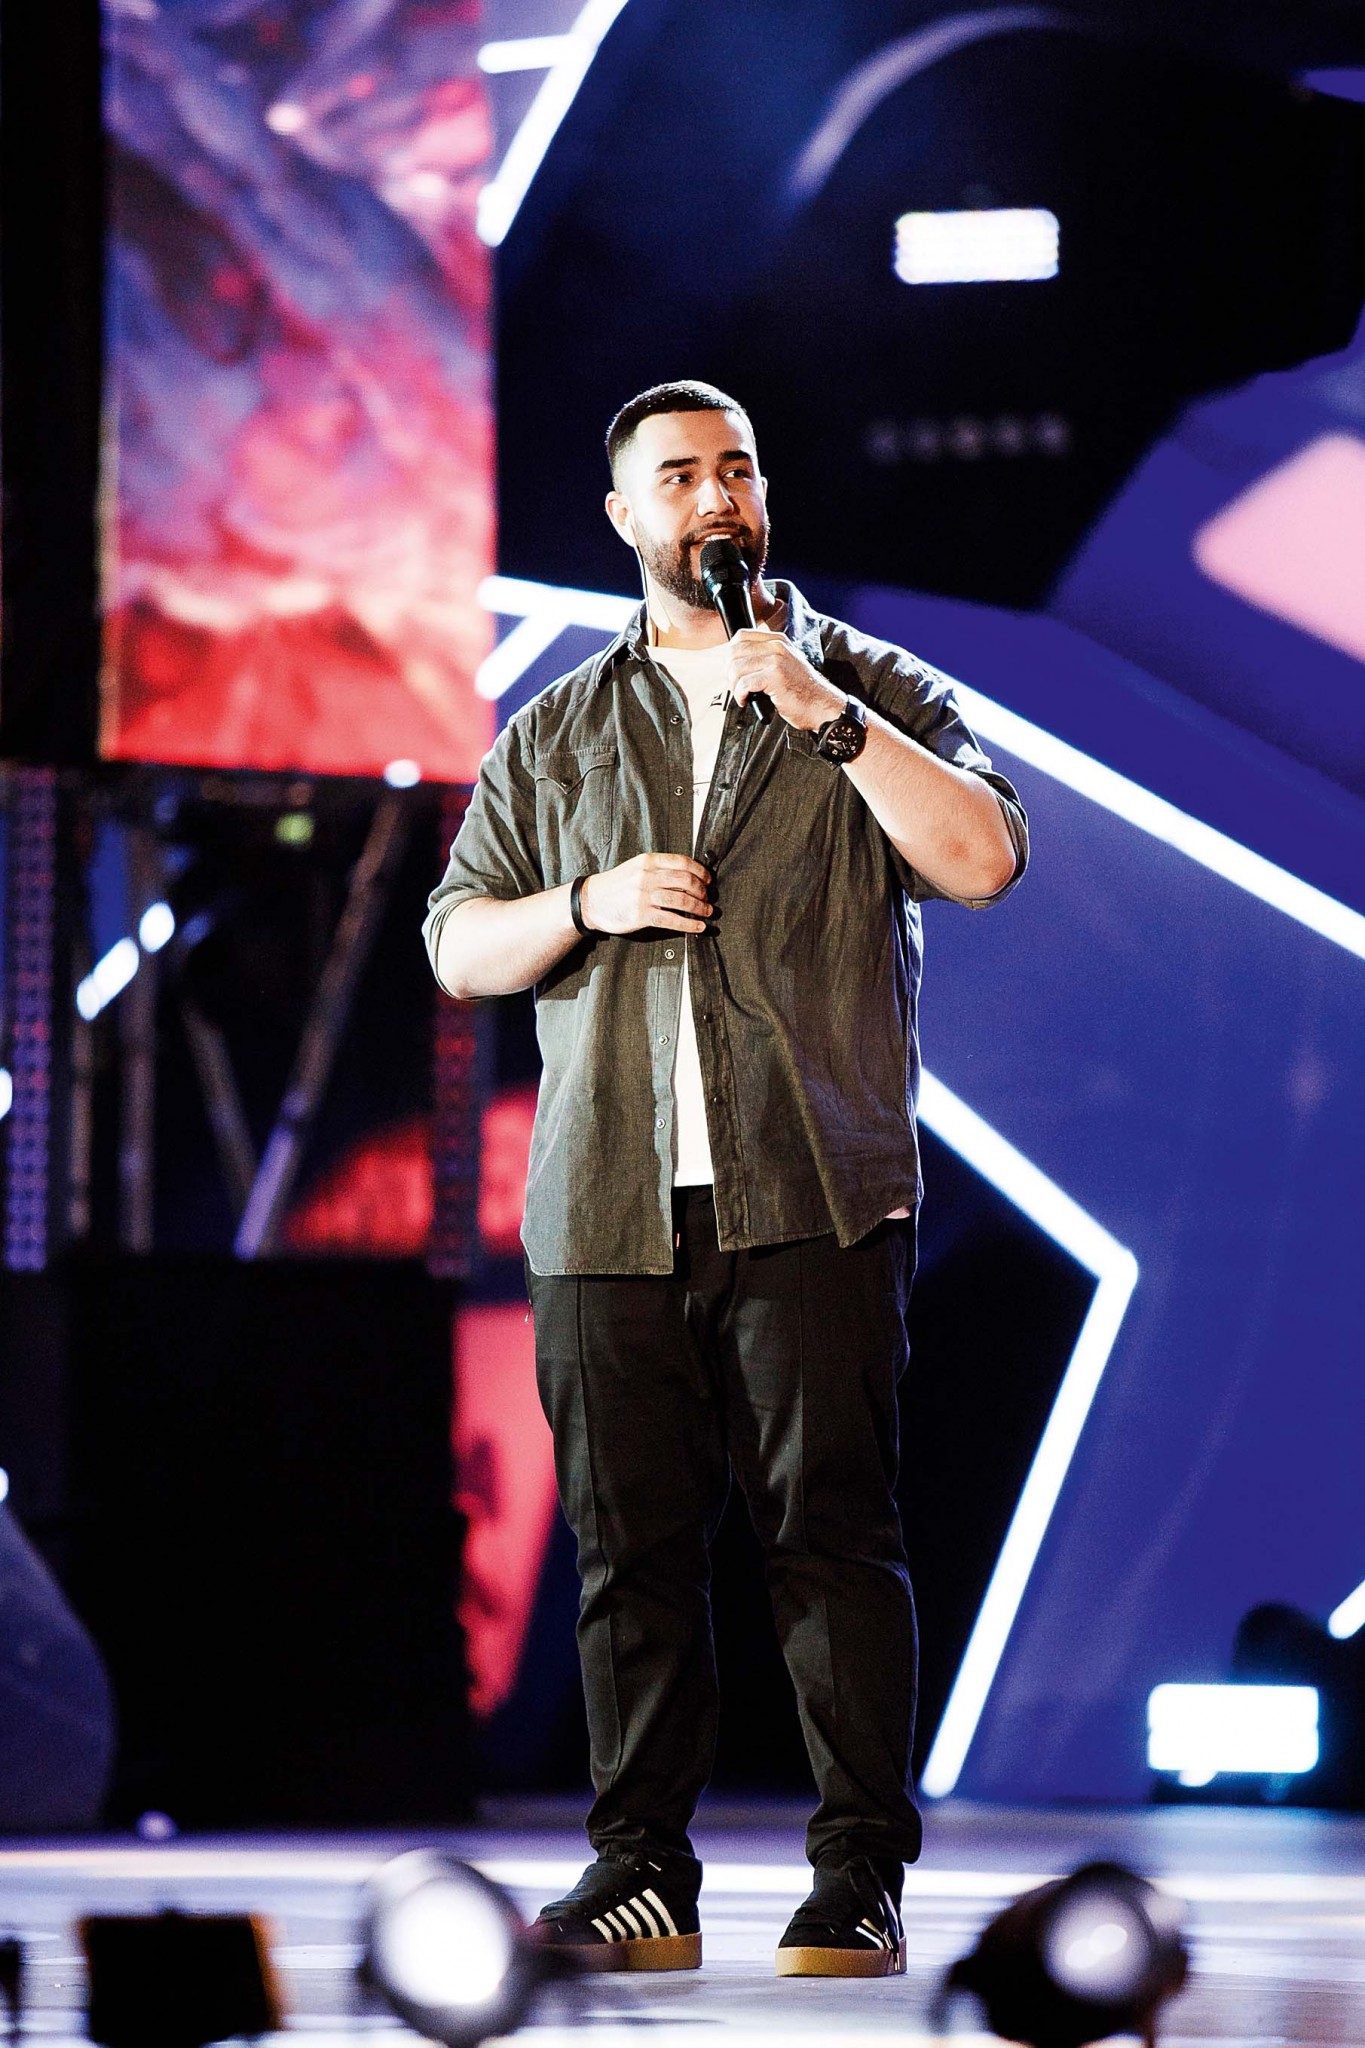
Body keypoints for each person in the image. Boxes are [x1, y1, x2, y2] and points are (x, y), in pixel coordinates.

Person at [423, 380, 1028, 1977]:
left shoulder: (869, 686)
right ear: (624, 516)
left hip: (811, 1188)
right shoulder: (557, 728)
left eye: (737, 470)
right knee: (627, 1554)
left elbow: (981, 858)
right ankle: (640, 1875)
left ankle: (858, 1873)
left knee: (832, 1539)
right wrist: (587, 900)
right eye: (681, 475)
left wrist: (820, 709)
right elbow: (459, 944)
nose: (716, 498)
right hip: (605, 1203)